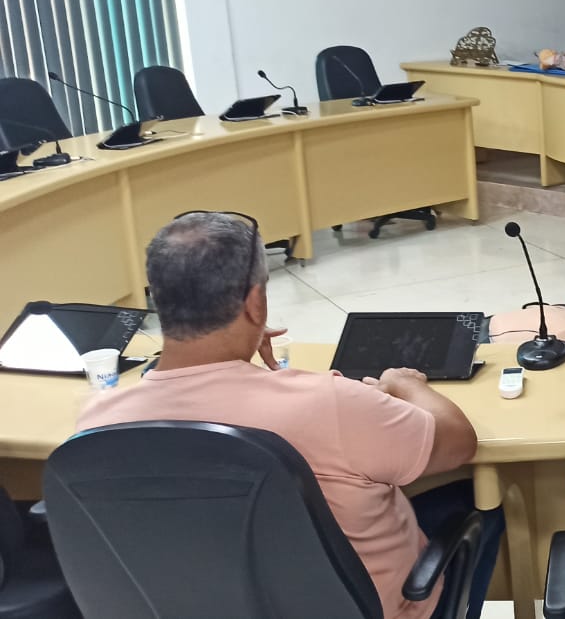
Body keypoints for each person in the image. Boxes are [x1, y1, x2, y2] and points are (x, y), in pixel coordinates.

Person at [76, 212, 503, 619]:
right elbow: (457, 442)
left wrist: (249, 355)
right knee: (486, 502)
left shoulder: (97, 422)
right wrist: (410, 385)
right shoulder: (330, 403)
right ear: (255, 303)